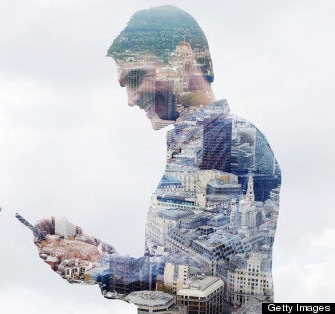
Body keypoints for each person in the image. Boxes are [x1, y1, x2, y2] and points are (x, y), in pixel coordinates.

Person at [29, 5, 281, 313]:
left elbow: (219, 280)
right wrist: (90, 250)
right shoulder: (193, 144)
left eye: (136, 78)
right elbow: (179, 270)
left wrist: (101, 266)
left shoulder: (232, 137)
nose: (131, 99)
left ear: (182, 56)